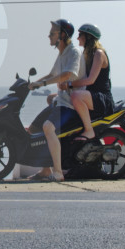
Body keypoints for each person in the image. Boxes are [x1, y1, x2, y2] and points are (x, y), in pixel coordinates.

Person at [25, 19, 81, 181]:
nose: (48, 36)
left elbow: (66, 74)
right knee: (35, 128)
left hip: (70, 105)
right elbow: (52, 75)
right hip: (60, 102)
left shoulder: (73, 52)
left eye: (52, 33)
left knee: (48, 127)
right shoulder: (62, 54)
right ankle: (46, 170)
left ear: (62, 35)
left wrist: (42, 83)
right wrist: (35, 84)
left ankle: (58, 173)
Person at [69, 23, 113, 142]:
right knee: (53, 98)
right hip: (90, 95)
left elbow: (90, 80)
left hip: (102, 98)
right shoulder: (86, 54)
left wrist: (69, 85)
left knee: (75, 96)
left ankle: (89, 130)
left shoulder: (99, 54)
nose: (77, 38)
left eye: (80, 35)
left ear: (88, 37)